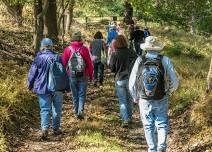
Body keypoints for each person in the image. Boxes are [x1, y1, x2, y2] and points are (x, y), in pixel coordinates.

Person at [129, 36, 179, 152]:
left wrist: (135, 96)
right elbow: (174, 81)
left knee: (148, 125)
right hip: (161, 96)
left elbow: (132, 82)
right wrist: (169, 91)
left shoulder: (139, 60)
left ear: (146, 48)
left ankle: (152, 149)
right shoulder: (165, 60)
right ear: (158, 48)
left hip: (144, 98)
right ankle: (161, 146)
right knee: (161, 123)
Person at [28, 38, 64, 140]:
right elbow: (64, 74)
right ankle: (56, 129)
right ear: (52, 46)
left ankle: (45, 129)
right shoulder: (58, 57)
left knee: (45, 109)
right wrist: (66, 86)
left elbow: (32, 74)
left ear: (42, 47)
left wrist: (30, 85)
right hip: (57, 88)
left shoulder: (39, 58)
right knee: (57, 109)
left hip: (43, 88)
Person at [62, 31, 93, 120]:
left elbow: (64, 63)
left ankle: (76, 112)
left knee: (74, 94)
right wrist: (91, 75)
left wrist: (64, 75)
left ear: (72, 39)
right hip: (83, 74)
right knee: (82, 94)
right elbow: (89, 63)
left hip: (71, 74)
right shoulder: (84, 49)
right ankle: (80, 111)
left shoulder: (68, 49)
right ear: (80, 39)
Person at [109, 35, 134, 127]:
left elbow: (111, 68)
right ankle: (130, 117)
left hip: (119, 79)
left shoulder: (115, 54)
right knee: (129, 99)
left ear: (116, 43)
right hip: (130, 79)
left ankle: (125, 119)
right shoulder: (131, 52)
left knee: (122, 100)